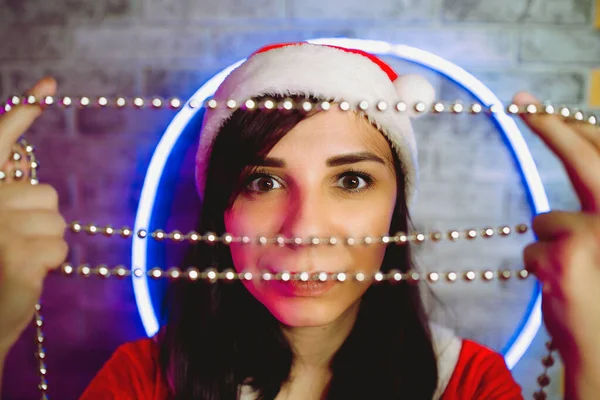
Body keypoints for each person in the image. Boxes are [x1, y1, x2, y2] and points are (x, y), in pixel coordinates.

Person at [0, 42, 598, 400]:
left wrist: (594, 358)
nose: (305, 230)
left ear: (397, 206)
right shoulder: (140, 381)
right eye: (263, 182)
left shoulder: (469, 384)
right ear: (221, 212)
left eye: (351, 180)